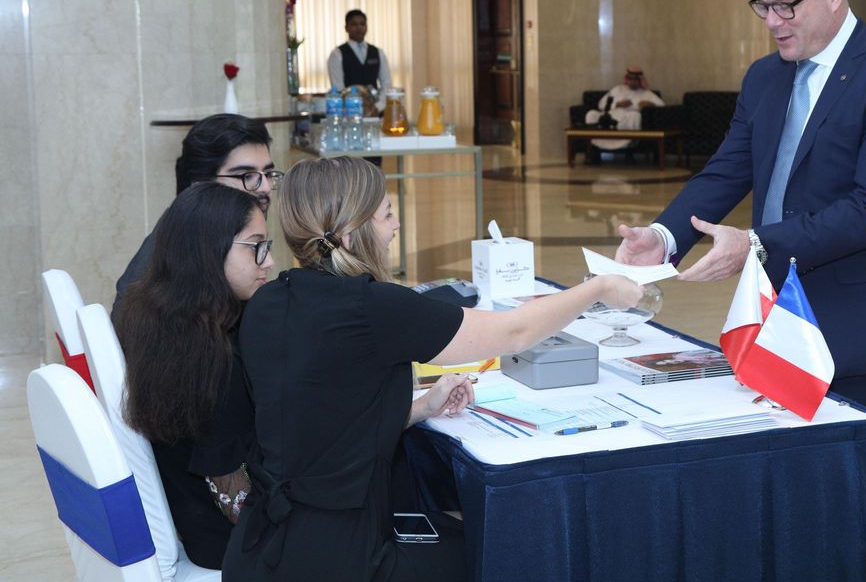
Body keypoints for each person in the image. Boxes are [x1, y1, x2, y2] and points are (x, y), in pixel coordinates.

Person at [614, 0, 866, 582]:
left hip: (859, 325)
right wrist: (666, 236)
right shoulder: (765, 77)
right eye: (762, 6)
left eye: (786, 5)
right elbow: (728, 170)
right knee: (789, 493)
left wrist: (757, 243)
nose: (772, 22)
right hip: (771, 315)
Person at [223, 156, 642, 580]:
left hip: (262, 548)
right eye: (387, 214)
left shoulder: (266, 303)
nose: (396, 226)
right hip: (345, 558)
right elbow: (515, 332)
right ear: (351, 233)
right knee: (511, 549)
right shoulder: (372, 308)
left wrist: (421, 408)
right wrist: (599, 287)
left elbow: (319, 423)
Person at [116, 183, 274, 569]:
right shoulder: (213, 356)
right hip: (231, 544)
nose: (268, 262)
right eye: (256, 247)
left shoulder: (156, 315)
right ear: (209, 250)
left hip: (193, 518)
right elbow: (236, 503)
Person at [114, 114, 280, 313]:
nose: (265, 187)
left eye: (267, 174)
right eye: (247, 176)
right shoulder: (170, 264)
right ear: (199, 185)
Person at [584, 65, 664, 151]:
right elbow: (601, 104)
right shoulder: (617, 89)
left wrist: (651, 104)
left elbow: (662, 107)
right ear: (627, 79)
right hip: (610, 119)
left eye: (635, 79)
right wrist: (616, 105)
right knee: (591, 114)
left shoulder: (647, 94)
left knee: (634, 116)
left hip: (626, 122)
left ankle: (628, 143)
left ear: (640, 80)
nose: (632, 82)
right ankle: (593, 145)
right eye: (630, 79)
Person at [328, 8, 391, 113]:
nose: (359, 28)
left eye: (362, 24)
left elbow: (386, 84)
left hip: (376, 111)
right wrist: (353, 108)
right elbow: (338, 88)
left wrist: (378, 107)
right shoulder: (337, 54)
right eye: (354, 24)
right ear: (346, 28)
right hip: (349, 112)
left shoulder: (378, 52)